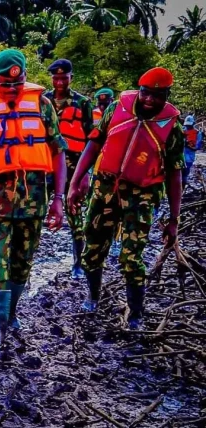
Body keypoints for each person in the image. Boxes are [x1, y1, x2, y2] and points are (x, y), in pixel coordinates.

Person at [68, 67, 184, 330]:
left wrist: (174, 220)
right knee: (93, 247)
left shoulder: (173, 126)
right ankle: (92, 297)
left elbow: (175, 175)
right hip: (104, 187)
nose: (150, 100)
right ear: (139, 90)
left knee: (132, 256)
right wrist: (76, 181)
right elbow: (94, 144)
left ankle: (135, 314)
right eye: (146, 93)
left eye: (158, 95)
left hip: (141, 194)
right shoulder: (115, 110)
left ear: (166, 95)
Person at [0, 49, 66, 351]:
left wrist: (58, 199)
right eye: (4, 83)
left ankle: (10, 315)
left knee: (22, 264)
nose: (10, 89)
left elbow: (57, 151)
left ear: (24, 77)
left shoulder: (42, 104)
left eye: (17, 82)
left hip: (33, 200)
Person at [44, 59, 95, 280]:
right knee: (37, 212)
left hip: (74, 168)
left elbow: (91, 140)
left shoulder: (83, 103)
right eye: (56, 78)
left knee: (75, 214)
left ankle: (78, 262)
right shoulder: (42, 100)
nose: (60, 82)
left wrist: (84, 175)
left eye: (64, 78)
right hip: (47, 165)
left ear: (70, 78)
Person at [92, 88, 121, 257]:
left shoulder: (120, 114)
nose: (103, 107)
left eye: (106, 103)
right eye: (100, 104)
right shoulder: (93, 114)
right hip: (96, 165)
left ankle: (116, 238)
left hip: (115, 165)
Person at [182, 115, 203, 189]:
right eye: (187, 125)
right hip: (180, 156)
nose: (188, 127)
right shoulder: (182, 131)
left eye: (189, 125)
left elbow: (197, 147)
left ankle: (183, 187)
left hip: (189, 156)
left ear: (193, 124)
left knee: (185, 172)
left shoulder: (198, 133)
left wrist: (187, 145)